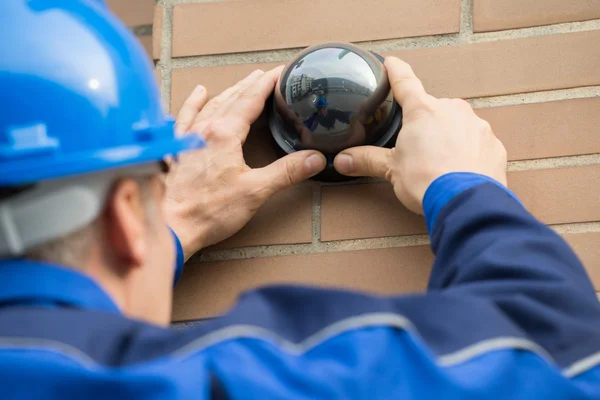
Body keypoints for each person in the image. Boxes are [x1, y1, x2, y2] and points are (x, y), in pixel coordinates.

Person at [1, 1, 599, 399]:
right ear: (126, 219)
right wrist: (466, 188)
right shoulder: (215, 381)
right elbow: (555, 353)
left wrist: (165, 220)